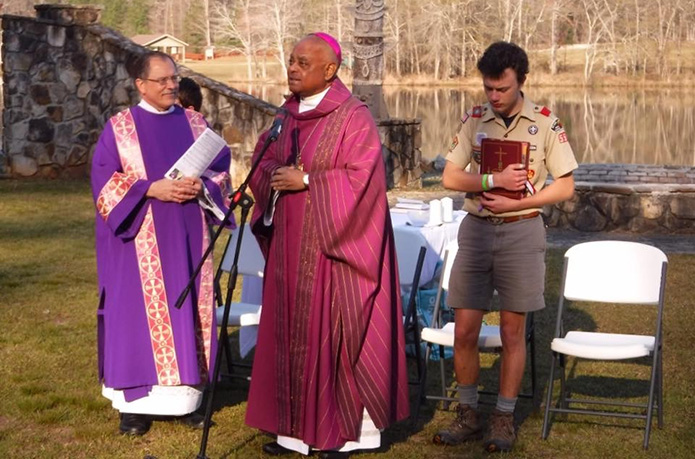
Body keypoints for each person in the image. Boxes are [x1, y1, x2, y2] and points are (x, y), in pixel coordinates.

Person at [246, 33, 410, 458]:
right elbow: (261, 162)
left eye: (303, 62)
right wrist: (274, 177)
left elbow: (364, 181)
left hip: (335, 255)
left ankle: (346, 433)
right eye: (290, 60)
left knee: (336, 339)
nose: (293, 68)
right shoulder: (286, 115)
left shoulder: (353, 118)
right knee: (290, 339)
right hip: (289, 250)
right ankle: (293, 435)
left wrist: (308, 181)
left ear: (330, 70)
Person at [433, 41, 578, 453]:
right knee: (464, 329)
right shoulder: (474, 118)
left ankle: (503, 417)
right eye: (488, 88)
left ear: (521, 82)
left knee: (514, 332)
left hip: (521, 232)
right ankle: (467, 414)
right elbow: (449, 177)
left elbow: (565, 185)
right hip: (476, 232)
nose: (494, 97)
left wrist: (523, 200)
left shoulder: (546, 123)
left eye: (502, 89)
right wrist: (491, 182)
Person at [91, 51, 233, 436]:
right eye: (163, 80)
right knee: (136, 316)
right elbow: (104, 184)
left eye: (174, 77)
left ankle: (187, 398)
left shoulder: (194, 122)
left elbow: (220, 168)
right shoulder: (119, 129)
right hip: (138, 241)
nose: (173, 85)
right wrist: (151, 188)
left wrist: (201, 185)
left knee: (185, 311)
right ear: (141, 85)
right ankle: (133, 406)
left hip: (186, 237)